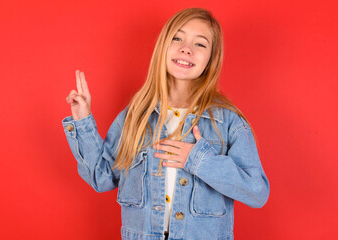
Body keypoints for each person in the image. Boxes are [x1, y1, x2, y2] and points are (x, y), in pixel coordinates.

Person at [62, 8, 269, 240]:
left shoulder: (228, 122)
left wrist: (199, 160)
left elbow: (256, 191)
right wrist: (82, 121)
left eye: (200, 44)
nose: (186, 48)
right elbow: (102, 178)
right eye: (177, 38)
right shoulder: (136, 116)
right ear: (163, 47)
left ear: (211, 58)